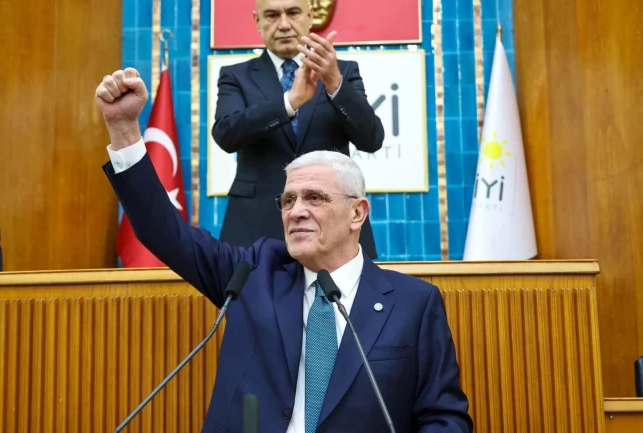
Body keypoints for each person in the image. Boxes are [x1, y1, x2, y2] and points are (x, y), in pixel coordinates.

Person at [96, 69, 472, 433]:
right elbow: (163, 231)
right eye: (288, 200)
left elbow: (444, 417)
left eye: (315, 198)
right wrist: (124, 129)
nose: (296, 211)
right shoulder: (252, 275)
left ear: (357, 213)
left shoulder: (413, 303)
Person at [211, 0, 384, 259]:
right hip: (255, 226)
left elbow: (371, 139)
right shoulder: (236, 76)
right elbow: (226, 134)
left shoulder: (343, 71)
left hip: (333, 225)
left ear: (310, 16)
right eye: (272, 15)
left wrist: (335, 84)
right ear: (257, 20)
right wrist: (289, 102)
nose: (283, 25)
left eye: (293, 13)